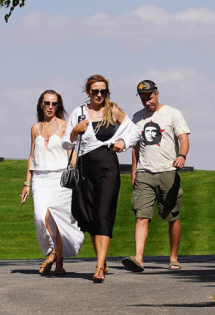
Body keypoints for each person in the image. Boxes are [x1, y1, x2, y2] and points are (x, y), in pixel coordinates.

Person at [63, 75, 140, 282]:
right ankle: (101, 259)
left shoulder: (113, 110)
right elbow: (66, 143)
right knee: (88, 216)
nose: (99, 95)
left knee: (104, 214)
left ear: (107, 93)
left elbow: (134, 130)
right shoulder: (78, 113)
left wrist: (123, 141)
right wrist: (74, 132)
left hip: (108, 167)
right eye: (95, 91)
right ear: (88, 92)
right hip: (85, 168)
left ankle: (98, 267)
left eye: (103, 92)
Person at [122, 80, 191, 273]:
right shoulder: (137, 117)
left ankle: (173, 257)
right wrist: (134, 170)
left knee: (173, 216)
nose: (147, 101)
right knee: (141, 215)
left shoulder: (172, 113)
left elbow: (183, 138)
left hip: (168, 171)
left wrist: (182, 156)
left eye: (150, 97)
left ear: (157, 94)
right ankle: (138, 258)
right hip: (144, 172)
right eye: (143, 98)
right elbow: (135, 147)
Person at [20, 90, 85, 276]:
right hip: (40, 178)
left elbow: (71, 152)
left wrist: (77, 174)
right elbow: (32, 156)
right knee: (40, 217)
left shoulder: (65, 126)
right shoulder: (35, 128)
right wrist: (27, 183)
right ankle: (52, 252)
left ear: (59, 106)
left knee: (57, 221)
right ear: (41, 104)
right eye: (47, 103)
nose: (50, 107)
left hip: (60, 178)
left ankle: (58, 261)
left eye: (54, 104)